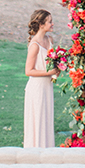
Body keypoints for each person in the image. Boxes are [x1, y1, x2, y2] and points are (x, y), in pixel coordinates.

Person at [23, 9, 59, 148]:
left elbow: (51, 62)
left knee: (46, 119)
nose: (52, 24)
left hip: (47, 87)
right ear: (42, 25)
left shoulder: (49, 40)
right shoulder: (35, 44)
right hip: (37, 88)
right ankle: (34, 151)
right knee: (37, 119)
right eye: (50, 22)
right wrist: (48, 72)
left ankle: (47, 151)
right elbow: (28, 71)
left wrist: (57, 69)